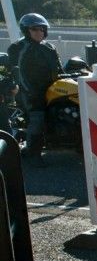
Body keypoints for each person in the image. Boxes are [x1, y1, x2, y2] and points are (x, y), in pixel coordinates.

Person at [7, 13, 61, 162]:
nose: (39, 32)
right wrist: (31, 92)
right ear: (26, 31)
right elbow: (18, 73)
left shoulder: (49, 47)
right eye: (34, 29)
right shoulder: (18, 48)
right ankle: (34, 153)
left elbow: (59, 69)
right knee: (37, 118)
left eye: (42, 29)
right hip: (29, 92)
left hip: (50, 89)